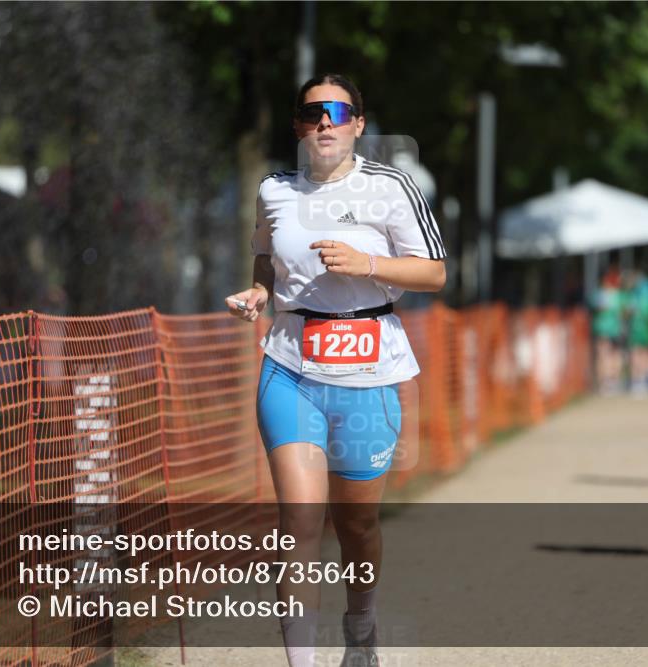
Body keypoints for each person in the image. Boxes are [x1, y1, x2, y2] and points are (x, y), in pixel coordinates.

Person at [225, 73, 446, 667]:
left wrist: (367, 261)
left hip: (369, 378)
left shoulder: (391, 187)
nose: (324, 121)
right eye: (311, 112)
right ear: (299, 125)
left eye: (336, 111)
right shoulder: (274, 190)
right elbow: (265, 255)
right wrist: (257, 292)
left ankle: (362, 626)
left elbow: (433, 273)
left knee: (357, 528)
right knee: (299, 523)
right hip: (291, 370)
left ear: (357, 124)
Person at [592, 264, 626, 394]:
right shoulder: (618, 295)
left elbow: (596, 308)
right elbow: (625, 311)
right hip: (613, 329)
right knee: (613, 356)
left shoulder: (600, 294)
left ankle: (606, 382)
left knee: (604, 356)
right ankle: (611, 381)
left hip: (605, 330)